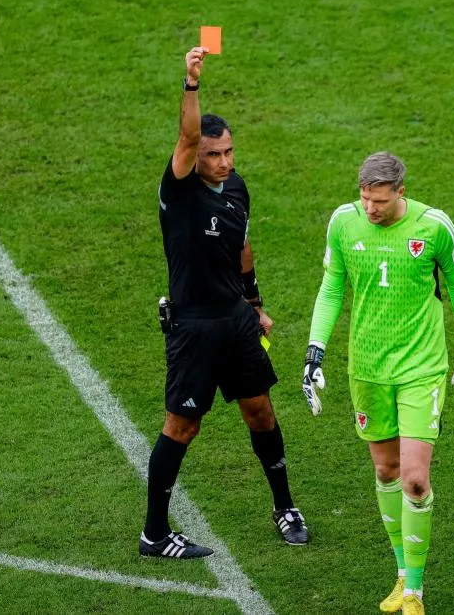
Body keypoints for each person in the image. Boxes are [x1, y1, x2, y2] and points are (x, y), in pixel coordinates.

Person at [140, 46, 309, 559]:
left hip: (236, 322)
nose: (223, 162)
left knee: (260, 411)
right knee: (182, 425)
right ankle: (154, 533)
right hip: (194, 327)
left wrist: (255, 302)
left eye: (228, 151)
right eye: (214, 155)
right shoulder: (181, 188)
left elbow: (242, 246)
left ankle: (284, 507)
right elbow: (188, 137)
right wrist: (191, 83)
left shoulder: (235, 188)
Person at [302, 152, 454, 615]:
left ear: (400, 192)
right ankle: (401, 574)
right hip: (367, 368)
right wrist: (314, 349)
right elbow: (332, 286)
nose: (371, 210)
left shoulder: (434, 227)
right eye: (365, 199)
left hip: (421, 367)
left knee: (416, 480)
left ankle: (416, 592)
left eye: (380, 201)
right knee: (385, 471)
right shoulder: (344, 223)